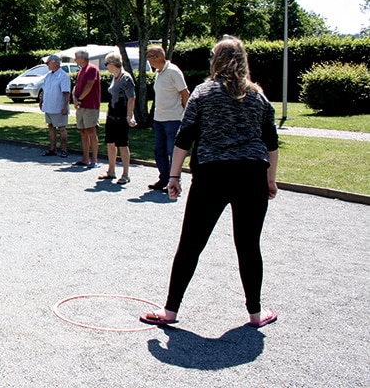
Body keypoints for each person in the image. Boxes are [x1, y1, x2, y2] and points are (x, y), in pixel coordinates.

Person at [140, 36, 279, 329]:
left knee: (191, 243)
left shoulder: (204, 93)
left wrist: (174, 176)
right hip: (251, 174)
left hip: (212, 173)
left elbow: (184, 137)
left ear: (216, 60)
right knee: (249, 245)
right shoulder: (258, 97)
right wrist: (270, 179)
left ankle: (170, 311)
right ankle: (255, 314)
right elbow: (271, 142)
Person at [146, 45, 189, 191]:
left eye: (149, 57)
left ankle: (174, 180)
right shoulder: (159, 72)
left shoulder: (173, 71)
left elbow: (185, 93)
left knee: (172, 151)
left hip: (173, 118)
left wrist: (185, 113)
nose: (148, 60)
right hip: (159, 119)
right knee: (159, 151)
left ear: (158, 57)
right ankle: (163, 178)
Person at [99, 53, 136, 184]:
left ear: (113, 63)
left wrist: (129, 116)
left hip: (121, 116)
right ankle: (111, 170)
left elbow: (131, 98)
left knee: (123, 144)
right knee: (110, 143)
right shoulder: (114, 77)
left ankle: (125, 174)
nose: (106, 67)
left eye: (106, 64)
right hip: (112, 115)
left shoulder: (126, 78)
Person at [72, 49, 101, 168]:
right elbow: (77, 86)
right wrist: (75, 97)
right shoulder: (81, 71)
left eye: (76, 57)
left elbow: (90, 85)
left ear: (82, 58)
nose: (75, 60)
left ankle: (94, 160)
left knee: (91, 132)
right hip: (81, 106)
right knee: (83, 132)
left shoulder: (92, 69)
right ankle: (85, 159)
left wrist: (80, 98)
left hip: (90, 106)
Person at [39, 54, 71, 157]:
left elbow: (66, 93)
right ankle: (53, 149)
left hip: (59, 107)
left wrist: (65, 107)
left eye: (48, 62)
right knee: (51, 127)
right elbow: (44, 90)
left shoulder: (63, 76)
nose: (47, 65)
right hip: (48, 107)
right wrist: (41, 101)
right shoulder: (48, 75)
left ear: (55, 63)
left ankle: (64, 149)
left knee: (62, 128)